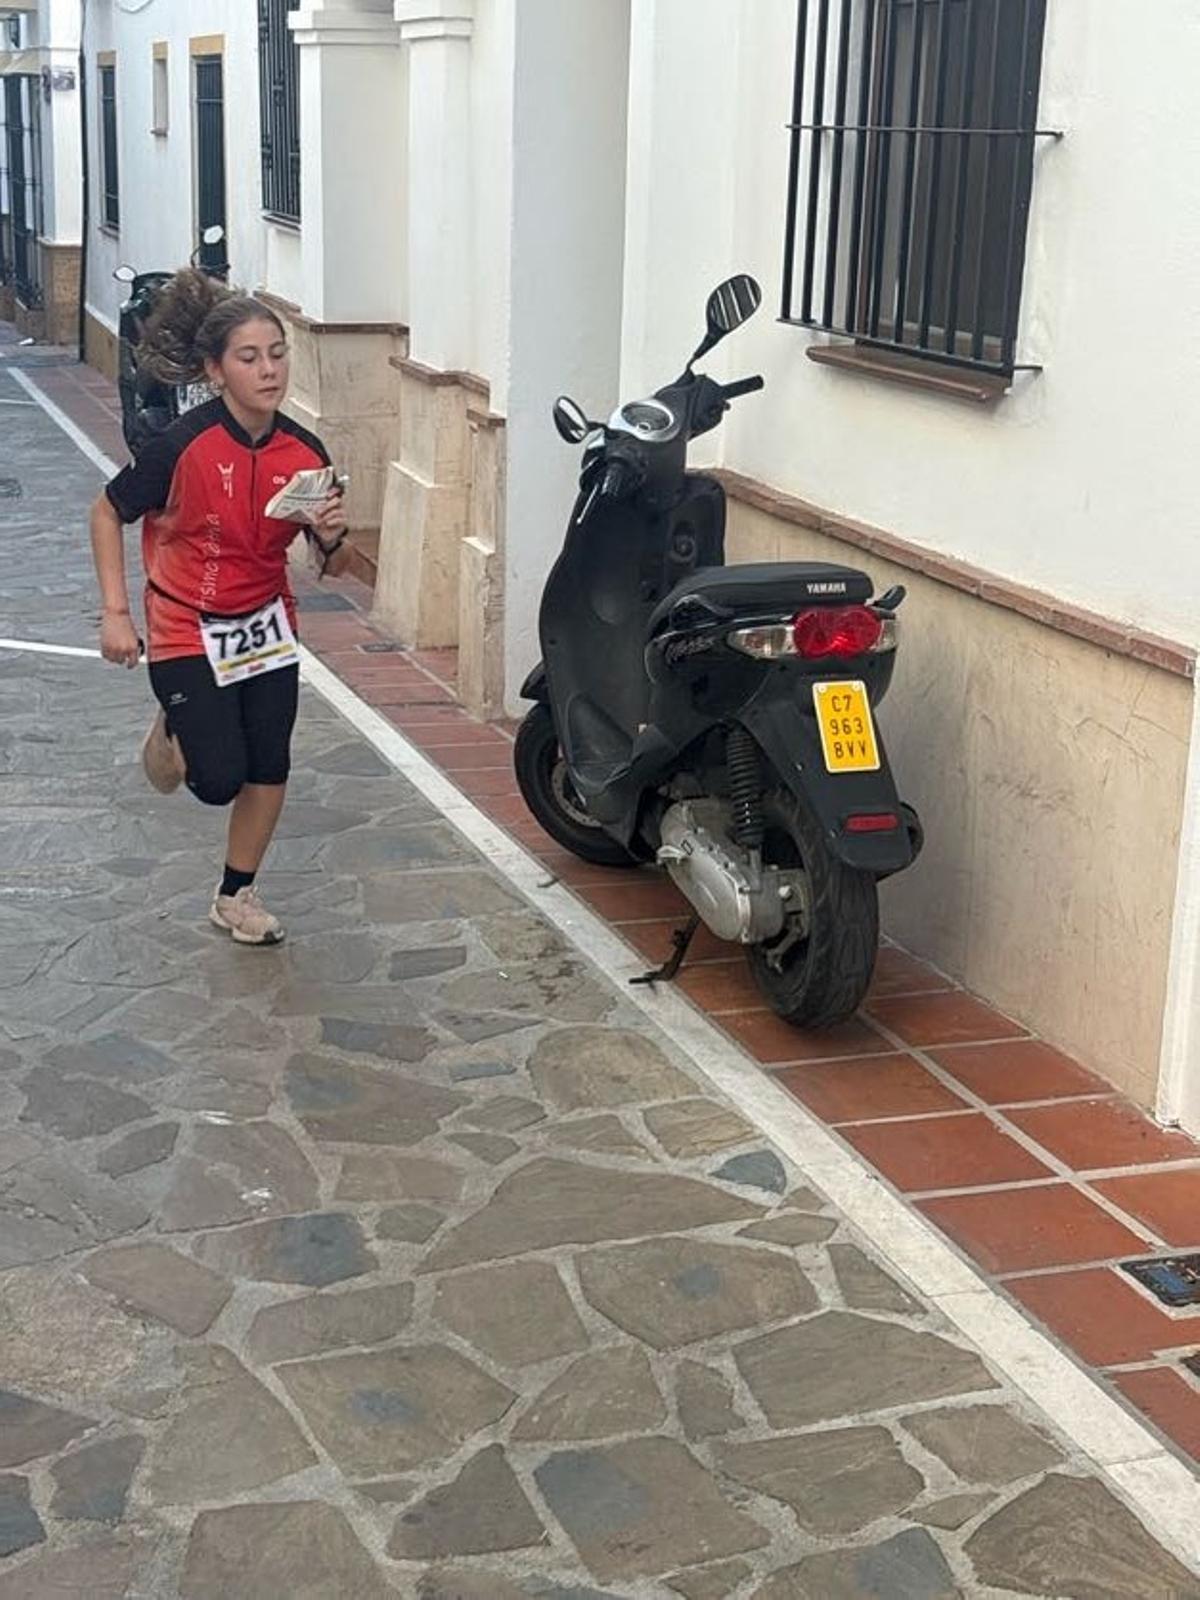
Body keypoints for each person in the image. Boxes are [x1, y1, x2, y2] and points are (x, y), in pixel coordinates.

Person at [89, 269, 351, 946]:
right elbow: (106, 511)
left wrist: (327, 537)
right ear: (215, 370)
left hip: (265, 625)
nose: (268, 370)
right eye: (249, 357)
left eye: (277, 354)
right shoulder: (182, 447)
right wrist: (116, 613)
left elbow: (334, 563)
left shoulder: (305, 453)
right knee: (216, 780)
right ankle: (171, 733)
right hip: (185, 626)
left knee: (270, 763)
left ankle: (236, 896)